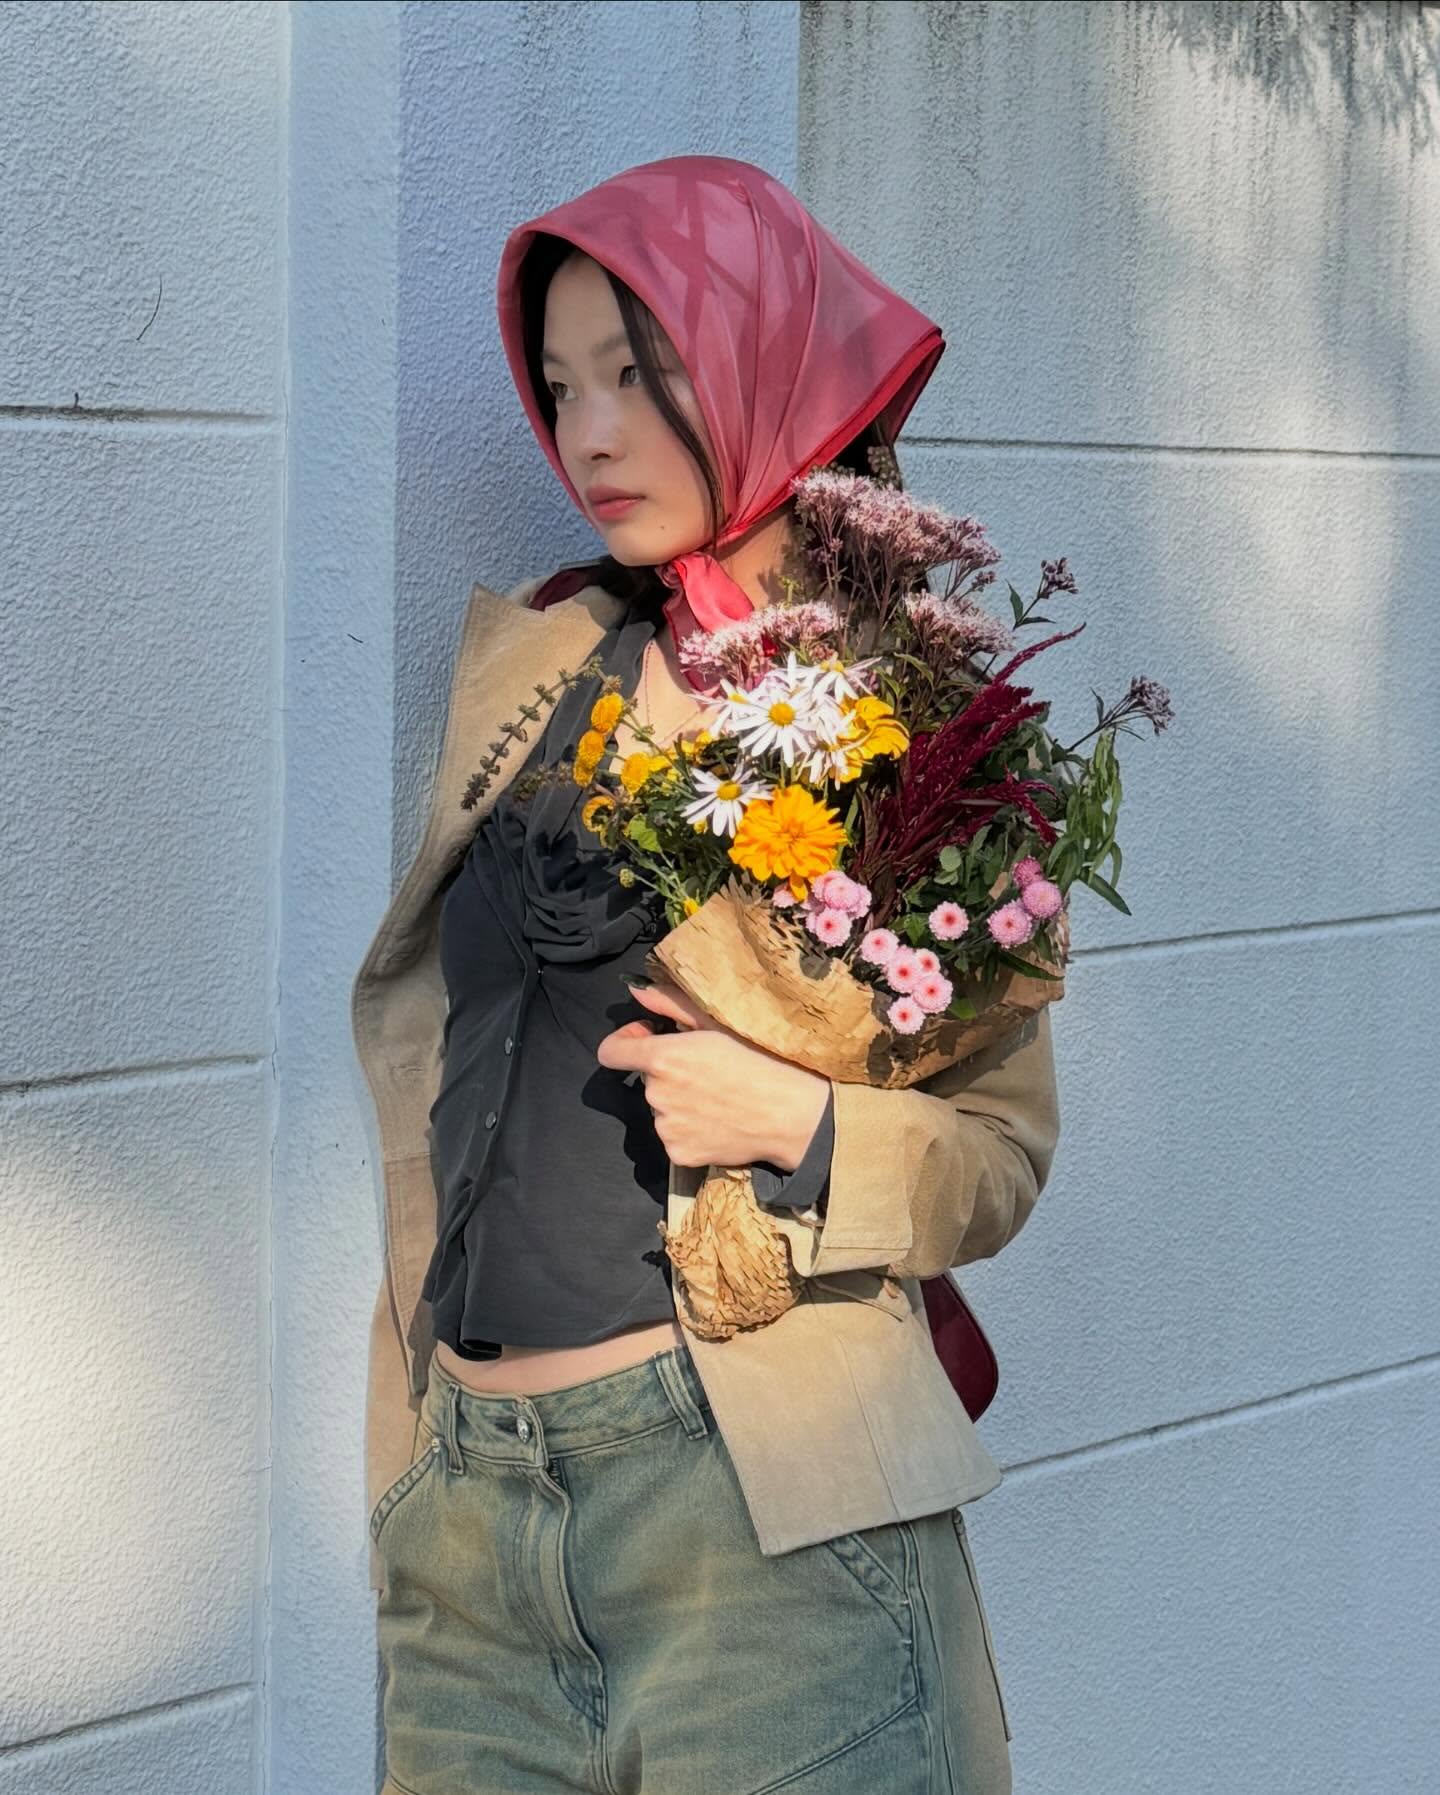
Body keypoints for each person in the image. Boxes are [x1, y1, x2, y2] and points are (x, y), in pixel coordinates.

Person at [352, 154, 1061, 1795]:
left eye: (636, 373)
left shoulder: (907, 711)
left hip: (755, 1522)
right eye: (560, 387)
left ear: (756, 362)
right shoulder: (545, 658)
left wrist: (802, 1126)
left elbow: (1001, 1154)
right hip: (470, 1524)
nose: (589, 434)